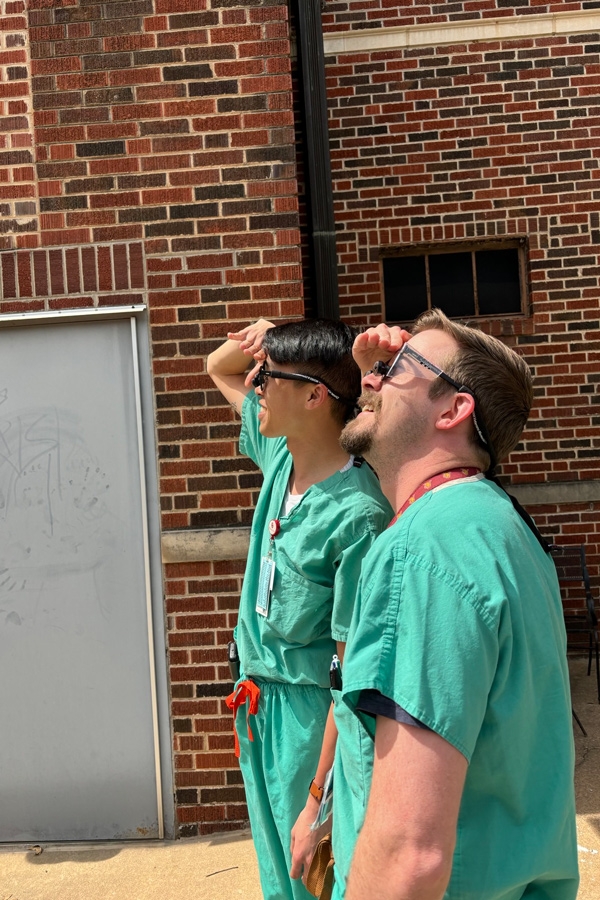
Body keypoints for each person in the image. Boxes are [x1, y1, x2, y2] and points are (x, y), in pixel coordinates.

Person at [330, 309, 579, 900]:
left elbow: (408, 856)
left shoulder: (426, 548)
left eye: (394, 369)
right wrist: (378, 381)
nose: (370, 378)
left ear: (452, 410)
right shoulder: (498, 528)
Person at [206, 317, 392, 900]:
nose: (256, 383)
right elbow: (218, 367)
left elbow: (349, 673)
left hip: (311, 724)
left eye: (269, 376)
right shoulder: (281, 454)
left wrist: (318, 798)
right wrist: (261, 337)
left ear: (315, 396)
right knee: (276, 877)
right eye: (259, 375)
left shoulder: (358, 514)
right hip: (257, 708)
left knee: (312, 876)